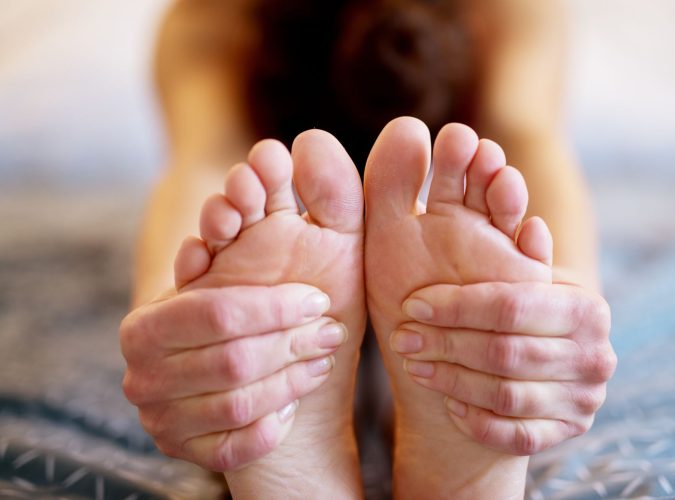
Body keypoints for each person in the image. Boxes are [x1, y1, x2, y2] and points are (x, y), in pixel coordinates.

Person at [119, 0, 616, 498]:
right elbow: (206, 160)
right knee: (430, 344)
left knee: (414, 335)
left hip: (430, 248)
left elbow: (523, 138)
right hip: (298, 255)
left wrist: (552, 319)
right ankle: (435, 409)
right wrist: (182, 323)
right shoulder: (210, 15)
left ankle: (322, 401)